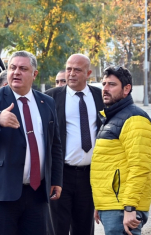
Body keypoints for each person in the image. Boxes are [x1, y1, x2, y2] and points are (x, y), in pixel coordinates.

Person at [0, 51, 64, 235]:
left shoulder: (46, 102)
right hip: (1, 192)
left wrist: (56, 179)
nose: (16, 72)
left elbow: (55, 145)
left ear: (34, 74)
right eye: (12, 68)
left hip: (37, 192)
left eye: (23, 68)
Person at [91, 66, 151, 235]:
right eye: (104, 84)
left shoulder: (135, 119)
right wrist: (101, 204)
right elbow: (108, 164)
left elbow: (140, 167)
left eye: (111, 84)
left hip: (122, 207)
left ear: (126, 89)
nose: (105, 89)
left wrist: (129, 207)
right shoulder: (112, 118)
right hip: (111, 205)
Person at [45, 53, 104, 235]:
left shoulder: (100, 96)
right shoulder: (50, 98)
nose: (71, 74)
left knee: (84, 229)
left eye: (77, 70)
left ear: (88, 73)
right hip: (61, 175)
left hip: (89, 176)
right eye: (69, 69)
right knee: (57, 228)